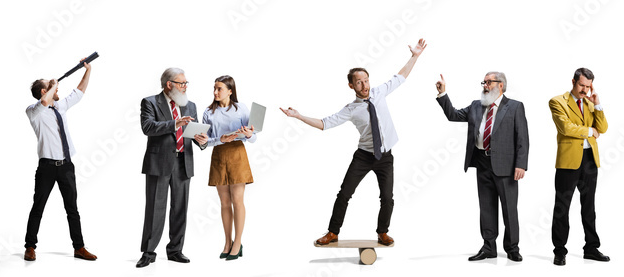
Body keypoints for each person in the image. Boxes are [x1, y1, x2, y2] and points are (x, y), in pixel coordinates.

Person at [281, 38, 427, 249]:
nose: (364, 85)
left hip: (385, 156)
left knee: (387, 197)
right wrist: (298, 116)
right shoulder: (351, 109)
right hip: (364, 156)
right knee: (344, 194)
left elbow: (401, 75)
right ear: (351, 85)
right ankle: (332, 232)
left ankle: (382, 232)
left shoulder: (380, 92)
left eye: (366, 80)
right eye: (359, 82)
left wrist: (414, 56)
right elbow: (324, 124)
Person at [434, 71, 529, 262]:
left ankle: (512, 248)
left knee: (509, 209)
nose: (484, 86)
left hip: (506, 167)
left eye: (488, 82)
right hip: (482, 163)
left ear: (500, 85)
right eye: (483, 82)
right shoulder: (477, 105)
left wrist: (521, 165)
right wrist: (443, 94)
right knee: (486, 207)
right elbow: (453, 115)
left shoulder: (515, 107)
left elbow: (523, 138)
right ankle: (488, 247)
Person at [23, 57, 97, 262]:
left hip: (66, 166)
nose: (57, 89)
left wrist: (87, 70)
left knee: (72, 208)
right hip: (47, 167)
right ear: (42, 91)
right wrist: (53, 84)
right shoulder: (33, 111)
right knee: (38, 206)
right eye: (51, 87)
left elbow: (79, 92)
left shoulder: (60, 106)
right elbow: (45, 101)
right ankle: (30, 247)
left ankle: (79, 248)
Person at [136, 67, 209, 268]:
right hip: (158, 163)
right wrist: (174, 123)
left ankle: (175, 250)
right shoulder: (150, 102)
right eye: (181, 83)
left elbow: (193, 133)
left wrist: (201, 140)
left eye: (186, 83)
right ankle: (149, 253)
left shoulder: (190, 105)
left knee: (180, 208)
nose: (185, 87)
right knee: (155, 209)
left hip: (183, 162)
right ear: (169, 85)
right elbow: (147, 127)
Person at [548, 68, 610, 266]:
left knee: (589, 207)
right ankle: (559, 250)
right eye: (582, 85)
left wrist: (597, 105)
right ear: (573, 81)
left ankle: (591, 248)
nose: (585, 90)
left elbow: (603, 128)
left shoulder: (590, 102)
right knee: (562, 207)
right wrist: (589, 131)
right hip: (568, 162)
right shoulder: (557, 101)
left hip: (590, 160)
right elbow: (565, 128)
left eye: (588, 86)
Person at [202, 75, 255, 260]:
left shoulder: (241, 109)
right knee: (224, 202)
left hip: (237, 154)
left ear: (230, 91)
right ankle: (227, 242)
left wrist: (249, 134)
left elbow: (254, 136)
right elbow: (205, 141)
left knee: (237, 201)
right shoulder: (208, 112)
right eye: (214, 88)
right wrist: (219, 139)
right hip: (218, 154)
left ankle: (238, 242)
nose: (216, 92)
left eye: (219, 89)